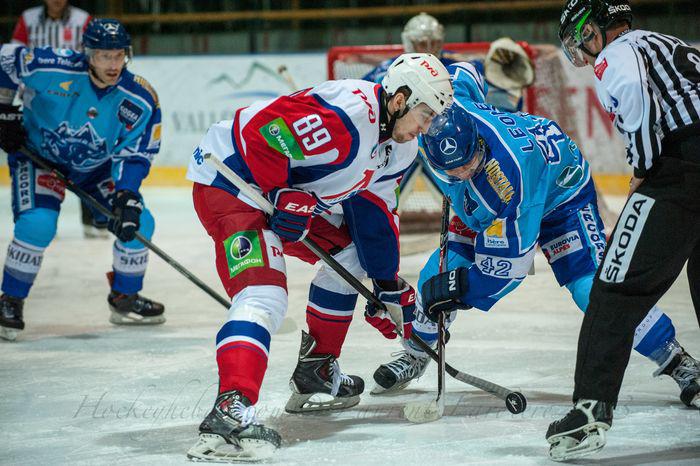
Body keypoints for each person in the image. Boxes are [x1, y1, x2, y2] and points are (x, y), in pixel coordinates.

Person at [370, 61, 699, 420]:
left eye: (470, 164)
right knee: (438, 273)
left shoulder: (509, 182)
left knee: (593, 289)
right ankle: (420, 351)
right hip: (486, 201)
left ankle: (676, 359)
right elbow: (464, 71)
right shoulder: (446, 105)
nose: (462, 172)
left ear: (479, 143)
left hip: (560, 197)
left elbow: (508, 270)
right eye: (454, 171)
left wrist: (459, 289)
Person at [184, 53, 453, 461]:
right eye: (424, 113)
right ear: (399, 100)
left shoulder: (399, 147)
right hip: (233, 184)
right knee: (264, 297)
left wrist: (385, 286)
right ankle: (230, 409)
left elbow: (373, 211)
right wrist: (280, 193)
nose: (427, 126)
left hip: (281, 200)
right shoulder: (347, 116)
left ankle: (317, 368)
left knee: (352, 258)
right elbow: (262, 132)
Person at [545, 0, 700, 460]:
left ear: (595, 30)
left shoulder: (620, 51)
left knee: (611, 288)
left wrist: (644, 166)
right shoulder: (668, 43)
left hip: (681, 173)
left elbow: (631, 87)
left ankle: (591, 407)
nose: (587, 57)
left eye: (582, 44)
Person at [0, 19, 165, 341]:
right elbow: (6, 56)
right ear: (87, 53)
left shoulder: (140, 99)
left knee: (139, 223)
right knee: (38, 224)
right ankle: (10, 300)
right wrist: (3, 108)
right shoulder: (55, 65)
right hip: (38, 160)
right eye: (104, 56)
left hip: (95, 170)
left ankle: (124, 297)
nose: (113, 64)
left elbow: (136, 154)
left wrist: (127, 194)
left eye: (119, 56)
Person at [11, 1, 108, 239]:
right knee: (39, 155)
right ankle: (39, 214)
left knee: (84, 154)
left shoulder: (82, 19)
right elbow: (13, 56)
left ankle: (92, 218)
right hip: (37, 103)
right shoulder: (28, 18)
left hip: (76, 101)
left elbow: (93, 55)